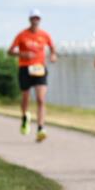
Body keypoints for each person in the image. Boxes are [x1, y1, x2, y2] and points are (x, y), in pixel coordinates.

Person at [8, 9, 57, 142]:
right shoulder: (22, 35)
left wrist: (53, 56)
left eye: (37, 18)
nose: (35, 20)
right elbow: (10, 51)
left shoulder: (44, 35)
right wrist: (22, 54)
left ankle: (41, 128)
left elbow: (53, 49)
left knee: (41, 99)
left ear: (40, 20)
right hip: (25, 68)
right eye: (33, 18)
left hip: (39, 69)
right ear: (30, 20)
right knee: (25, 98)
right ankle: (25, 116)